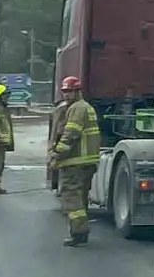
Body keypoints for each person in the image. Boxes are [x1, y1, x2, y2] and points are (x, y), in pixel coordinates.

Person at [48, 76, 101, 247]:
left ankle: (79, 231)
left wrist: (57, 156)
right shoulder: (86, 107)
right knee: (81, 197)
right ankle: (80, 232)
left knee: (71, 196)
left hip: (74, 162)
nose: (66, 95)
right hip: (87, 161)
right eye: (65, 92)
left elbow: (70, 134)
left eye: (70, 91)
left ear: (78, 91)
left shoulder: (77, 108)